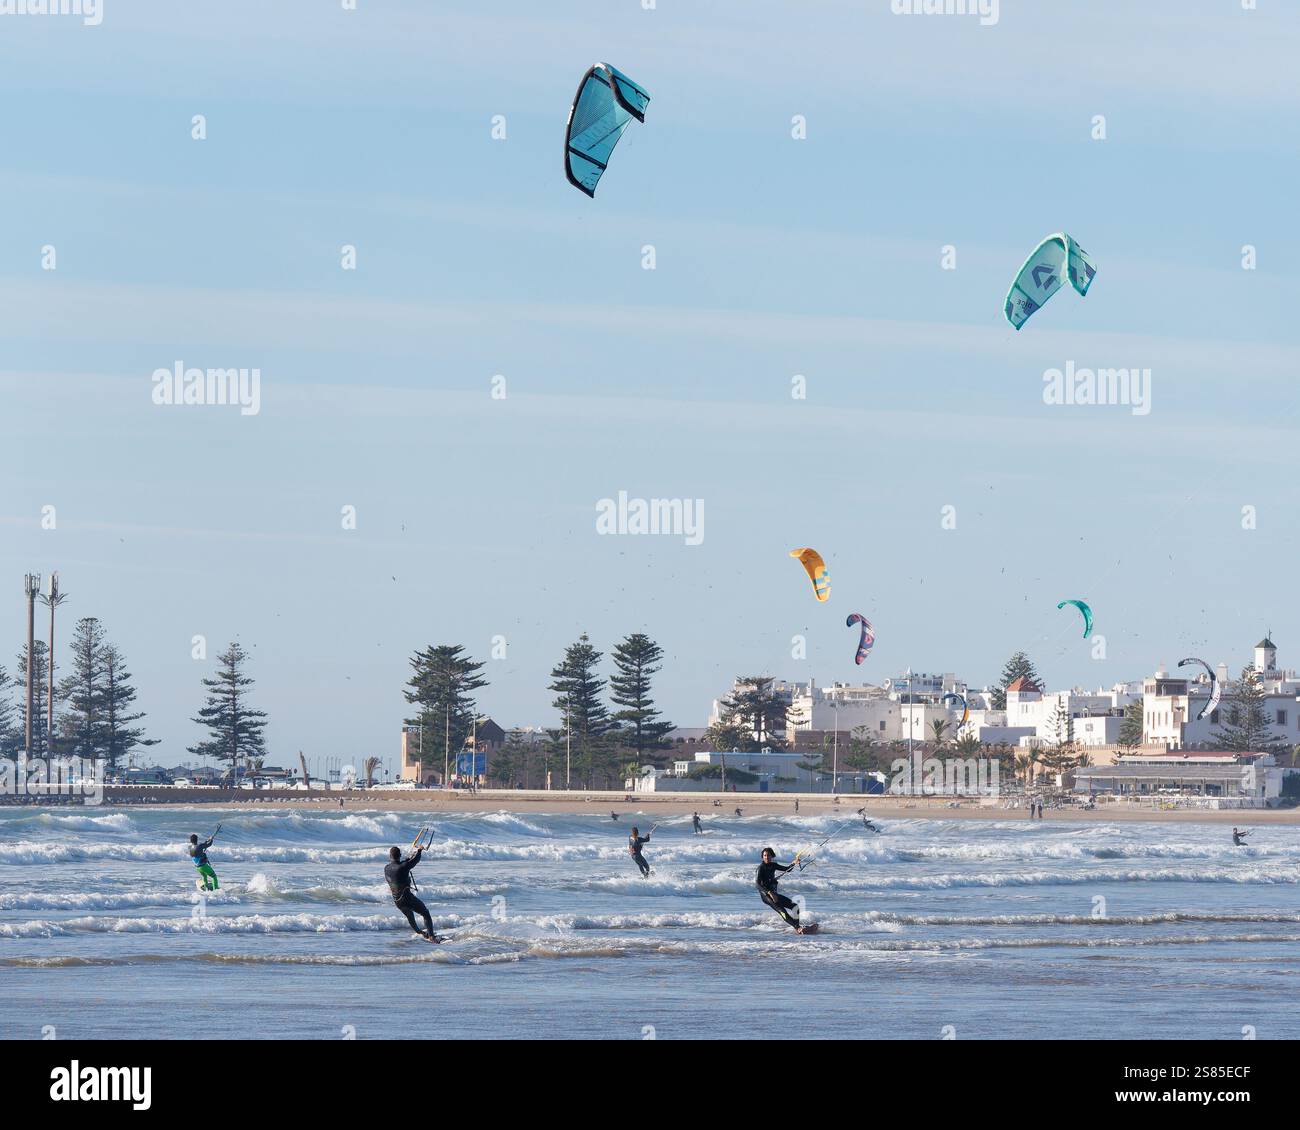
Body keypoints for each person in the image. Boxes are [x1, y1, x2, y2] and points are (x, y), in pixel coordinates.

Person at [385, 844, 440, 942]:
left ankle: (421, 932)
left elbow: (400, 867)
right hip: (407, 898)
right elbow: (415, 861)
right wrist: (419, 850)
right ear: (400, 855)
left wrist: (406, 860)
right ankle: (432, 937)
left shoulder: (386, 868)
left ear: (390, 856)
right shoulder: (403, 866)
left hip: (396, 900)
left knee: (410, 916)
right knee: (425, 913)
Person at [756, 847, 807, 932]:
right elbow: (757, 884)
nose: (766, 857)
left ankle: (797, 927)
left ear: (772, 856)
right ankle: (797, 928)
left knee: (795, 907)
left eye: (768, 855)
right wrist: (769, 893)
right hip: (766, 896)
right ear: (762, 857)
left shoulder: (773, 865)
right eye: (764, 855)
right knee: (782, 911)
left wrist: (794, 863)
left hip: (774, 893)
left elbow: (787, 869)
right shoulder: (760, 868)